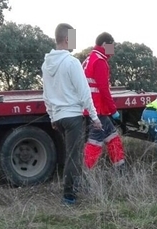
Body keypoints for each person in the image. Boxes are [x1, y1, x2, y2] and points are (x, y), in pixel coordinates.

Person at [42, 23, 101, 205]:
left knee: (72, 154)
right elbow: (84, 92)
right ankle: (69, 196)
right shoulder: (71, 62)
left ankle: (80, 186)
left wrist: (52, 116)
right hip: (73, 116)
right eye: (73, 37)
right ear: (67, 39)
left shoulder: (47, 64)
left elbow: (46, 94)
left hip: (59, 117)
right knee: (73, 157)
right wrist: (95, 117)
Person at [82, 31, 125, 171]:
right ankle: (86, 172)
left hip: (90, 106)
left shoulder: (89, 59)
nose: (112, 52)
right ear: (105, 45)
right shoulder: (100, 61)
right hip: (98, 108)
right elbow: (103, 89)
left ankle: (120, 167)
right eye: (111, 47)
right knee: (96, 141)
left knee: (111, 136)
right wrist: (113, 111)